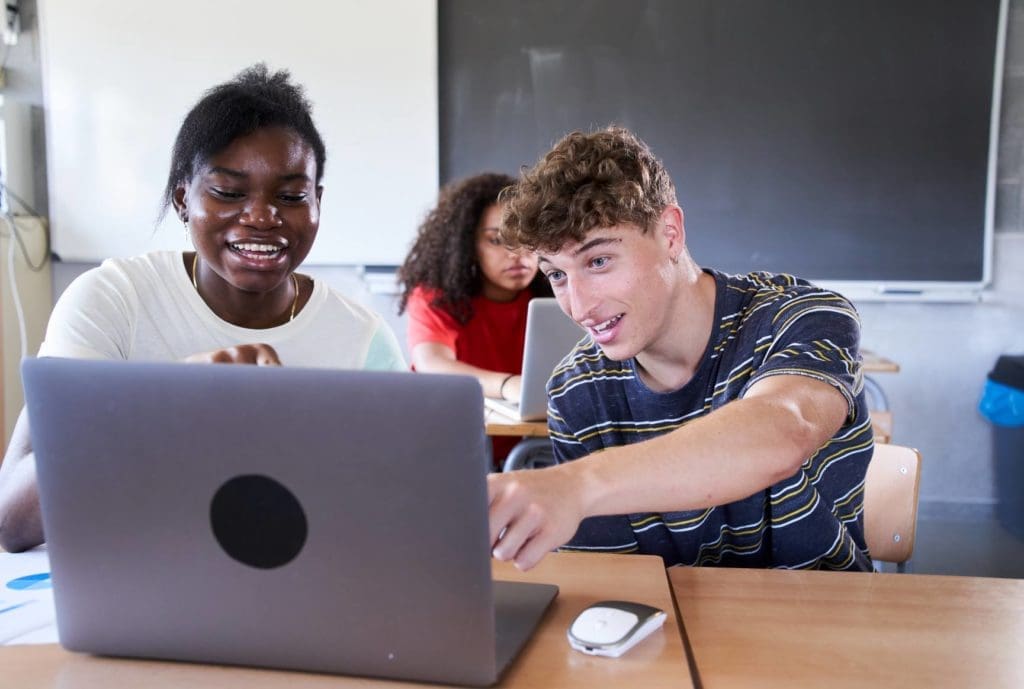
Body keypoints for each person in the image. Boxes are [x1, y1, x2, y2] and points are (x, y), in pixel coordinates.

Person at [0, 65, 405, 552]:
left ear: (317, 202)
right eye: (229, 193)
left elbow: (401, 509)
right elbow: (13, 522)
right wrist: (169, 400)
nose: (261, 216)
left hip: (295, 585)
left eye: (292, 196)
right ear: (181, 200)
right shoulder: (111, 300)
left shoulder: (362, 339)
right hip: (134, 581)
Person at [487, 126, 874, 572]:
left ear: (670, 234)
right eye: (556, 275)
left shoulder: (801, 316)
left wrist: (576, 485)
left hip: (825, 622)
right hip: (669, 629)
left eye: (598, 261)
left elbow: (783, 431)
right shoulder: (578, 390)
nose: (579, 305)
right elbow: (616, 582)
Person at [397, 173, 551, 464]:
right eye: (497, 240)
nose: (517, 254)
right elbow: (433, 365)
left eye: (526, 239)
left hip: (538, 452)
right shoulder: (436, 296)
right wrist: (509, 386)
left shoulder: (557, 291)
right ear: (467, 244)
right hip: (452, 452)